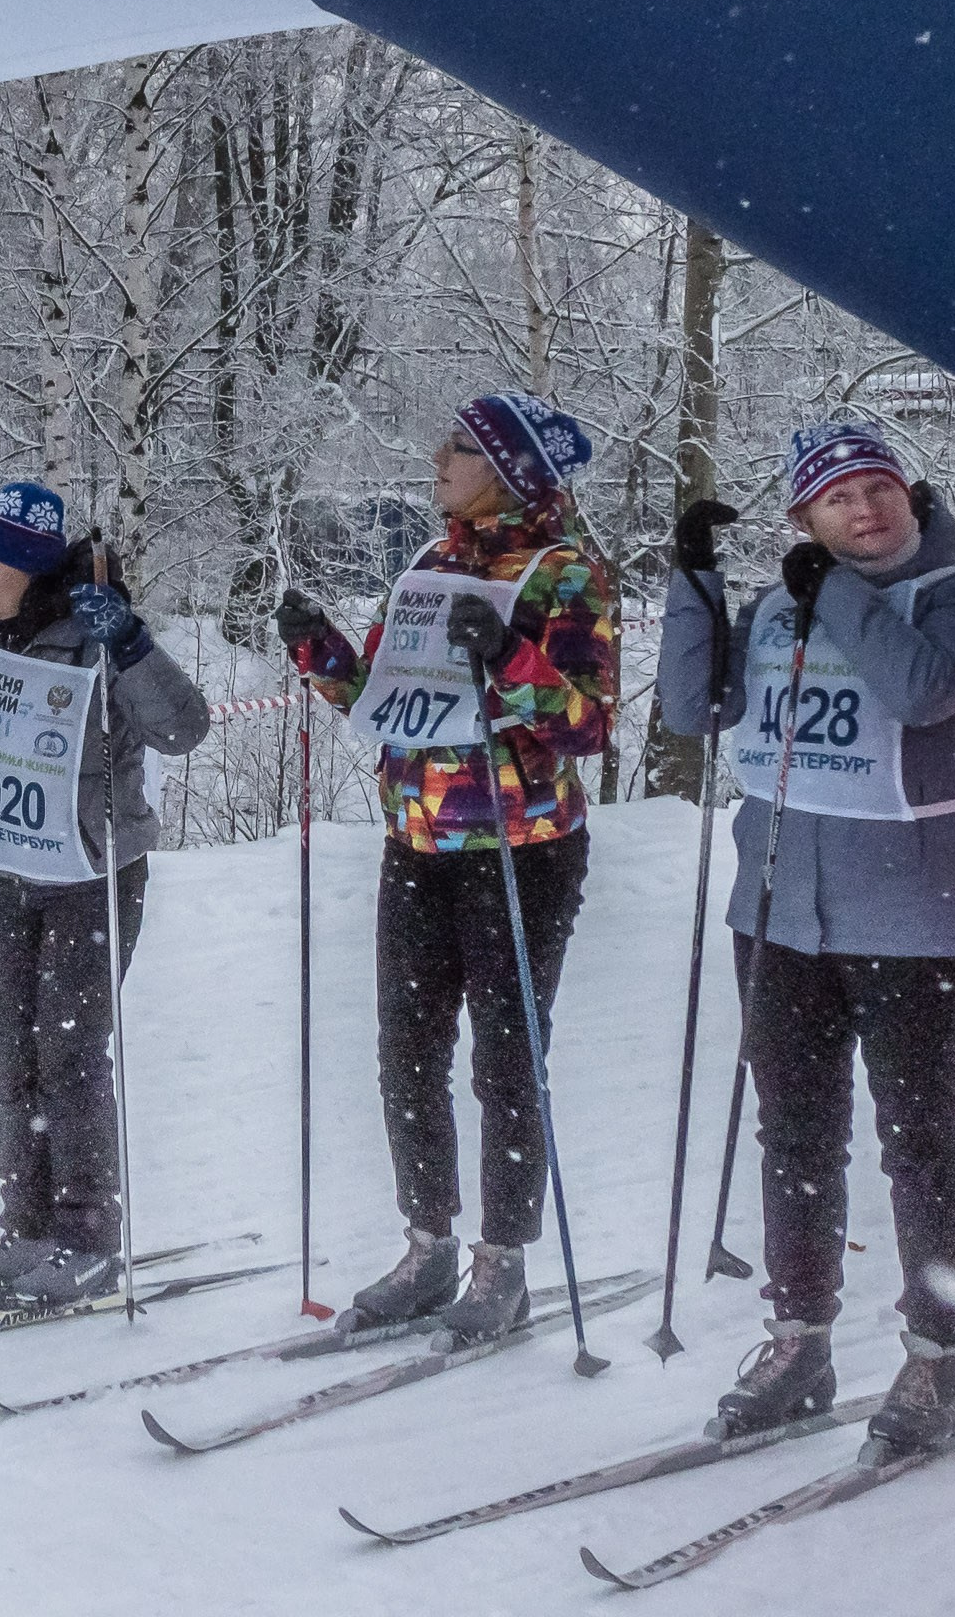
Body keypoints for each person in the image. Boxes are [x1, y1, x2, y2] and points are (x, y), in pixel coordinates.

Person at [658, 419, 955, 1454]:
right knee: (796, 1136)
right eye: (835, 497)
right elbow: (693, 705)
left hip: (915, 918)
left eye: (877, 487)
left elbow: (919, 686)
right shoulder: (779, 604)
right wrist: (695, 585)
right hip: (777, 911)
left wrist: (834, 591)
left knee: (922, 1143)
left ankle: (935, 1359)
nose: (863, 509)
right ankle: (798, 1337)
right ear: (802, 517)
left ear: (908, 490)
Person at [277, 391, 615, 1338]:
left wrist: (509, 653)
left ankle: (501, 1262)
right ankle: (427, 1244)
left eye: (460, 447)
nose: (437, 457)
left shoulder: (564, 574)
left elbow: (588, 725)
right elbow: (380, 701)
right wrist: (317, 648)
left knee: (508, 1056)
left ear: (507, 469)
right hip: (417, 839)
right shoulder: (427, 563)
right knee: (407, 1045)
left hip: (523, 847)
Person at [0, 483, 211, 1307]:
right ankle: (26, 1226)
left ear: (27, 564)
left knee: (68, 1055)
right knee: (13, 1052)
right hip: (7, 870)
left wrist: (128, 642)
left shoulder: (90, 634)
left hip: (90, 874)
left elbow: (183, 727)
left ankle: (88, 1234)